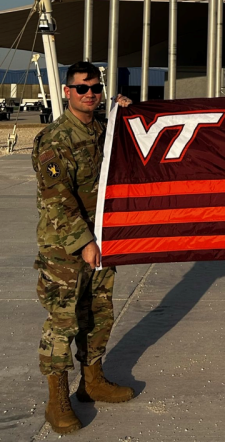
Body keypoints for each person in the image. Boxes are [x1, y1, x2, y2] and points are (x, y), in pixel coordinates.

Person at [32, 61, 135, 435]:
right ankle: (56, 399)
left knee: (99, 312)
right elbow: (57, 200)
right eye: (81, 88)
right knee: (63, 321)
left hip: (102, 240)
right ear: (66, 92)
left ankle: (92, 381)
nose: (89, 93)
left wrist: (127, 114)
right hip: (65, 247)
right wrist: (85, 242)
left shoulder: (103, 131)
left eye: (95, 88)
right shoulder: (55, 139)